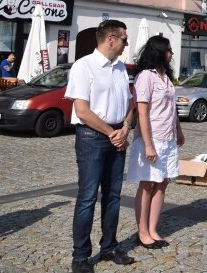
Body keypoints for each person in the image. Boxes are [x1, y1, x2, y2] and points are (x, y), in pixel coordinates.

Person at [65, 20, 136, 273]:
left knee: (113, 196)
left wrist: (125, 128)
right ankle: (81, 256)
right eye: (124, 39)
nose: (126, 43)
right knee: (87, 198)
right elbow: (82, 111)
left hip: (117, 133)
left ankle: (109, 246)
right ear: (111, 39)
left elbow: (130, 104)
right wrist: (111, 132)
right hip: (92, 137)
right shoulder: (84, 66)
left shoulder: (119, 68)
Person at [128, 35, 184, 248]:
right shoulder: (146, 76)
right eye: (168, 50)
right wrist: (148, 144)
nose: (171, 54)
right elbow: (142, 112)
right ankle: (142, 231)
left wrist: (178, 130)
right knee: (148, 183)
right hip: (151, 137)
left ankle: (153, 228)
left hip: (168, 137)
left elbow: (172, 108)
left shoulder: (166, 77)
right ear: (159, 52)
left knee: (162, 183)